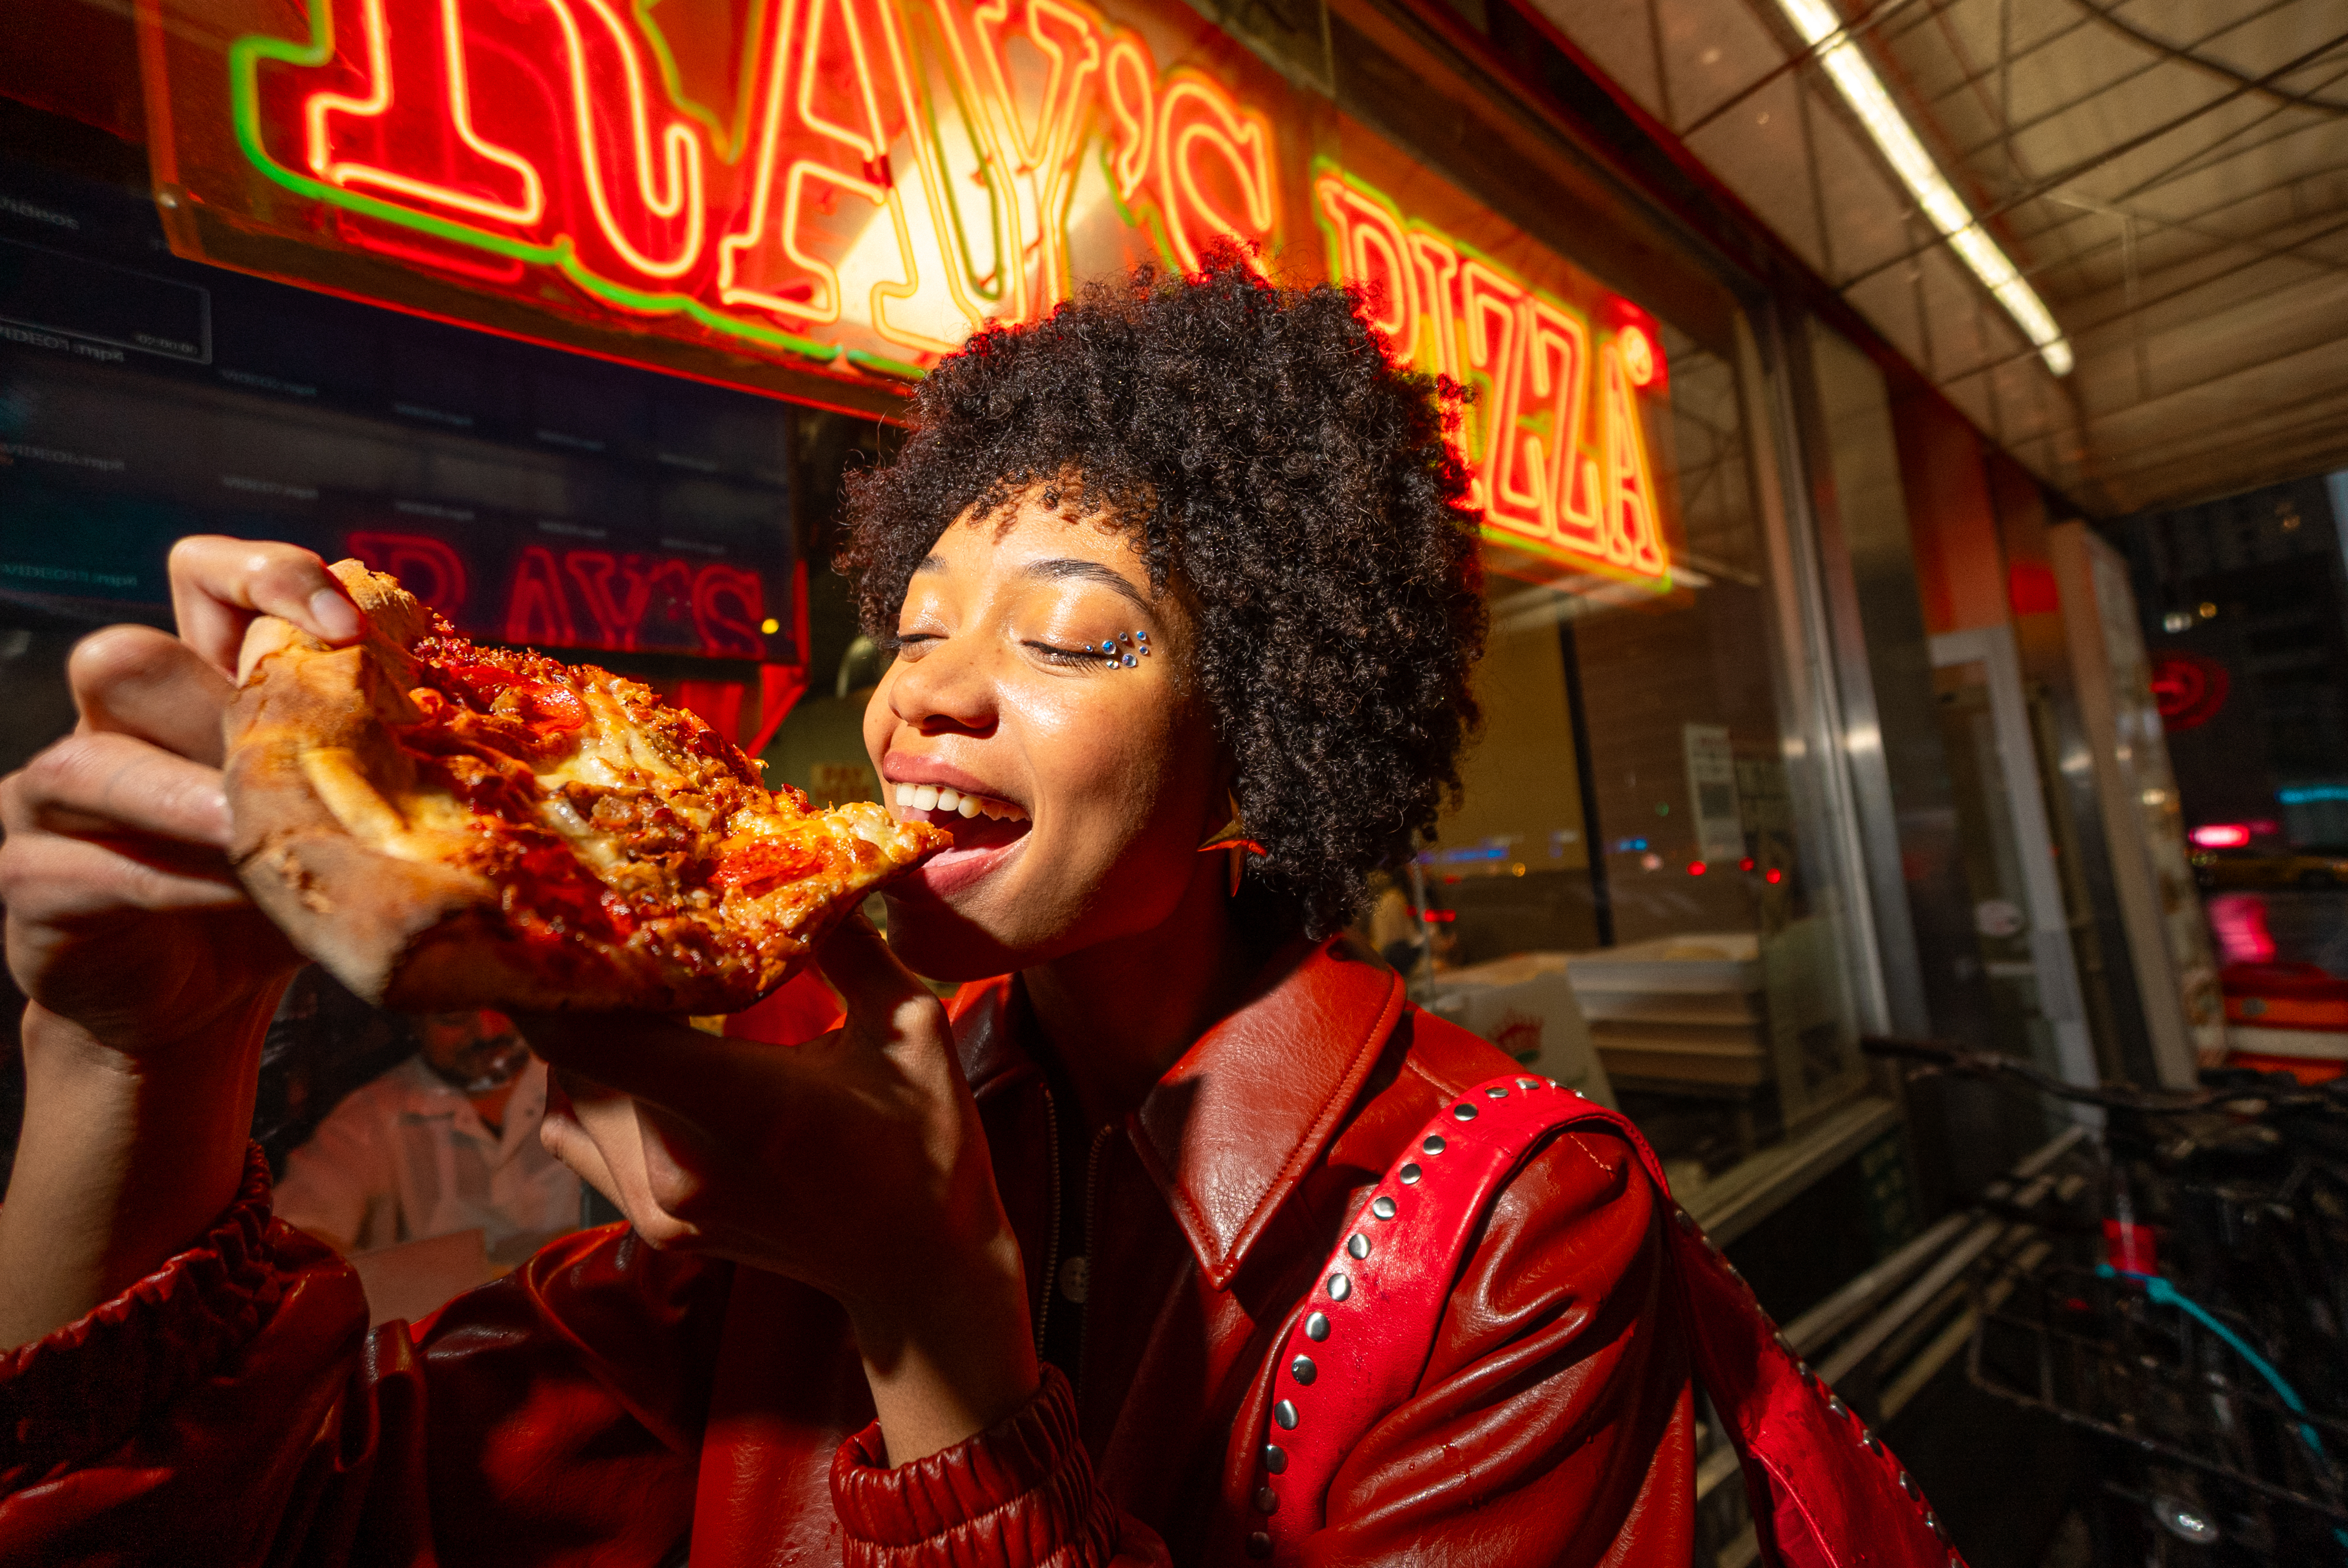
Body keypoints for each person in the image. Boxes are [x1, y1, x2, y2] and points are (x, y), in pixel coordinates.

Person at [0, 259, 1949, 1565]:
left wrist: (928, 1318)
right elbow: (283, 1522)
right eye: (912, 635)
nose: (923, 693)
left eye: (1076, 637)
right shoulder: (816, 1097)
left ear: (1263, 755)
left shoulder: (1518, 1220)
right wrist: (135, 1054)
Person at [272, 1008, 582, 1263]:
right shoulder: (370, 1117)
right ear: (414, 1021)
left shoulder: (585, 1088)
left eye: (500, 1006)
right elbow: (298, 1232)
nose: (487, 1033)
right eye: (454, 1017)